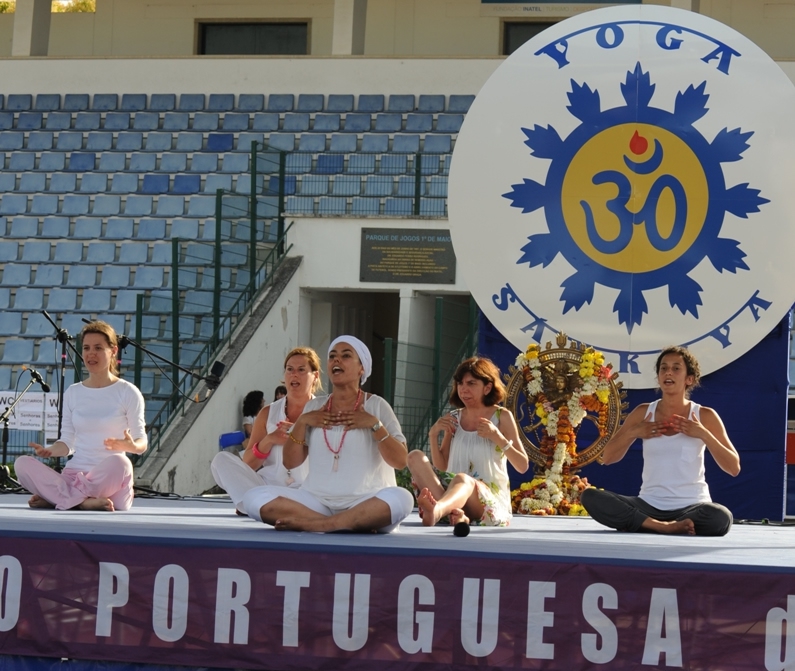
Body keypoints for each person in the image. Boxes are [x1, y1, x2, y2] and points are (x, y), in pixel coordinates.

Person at [241, 335, 413, 533]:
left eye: (345, 355)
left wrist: (374, 425)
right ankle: (347, 523)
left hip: (366, 501)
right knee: (254, 498)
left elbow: (400, 461)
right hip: (317, 502)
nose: (336, 360)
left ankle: (320, 525)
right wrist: (302, 422)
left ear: (362, 368)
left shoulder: (377, 406)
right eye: (332, 356)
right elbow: (290, 462)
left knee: (402, 499)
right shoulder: (314, 407)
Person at [580, 346, 740, 536]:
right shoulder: (643, 412)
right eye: (663, 368)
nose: (668, 372)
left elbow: (733, 468)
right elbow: (607, 458)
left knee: (721, 517)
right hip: (648, 505)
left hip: (692, 506)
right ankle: (660, 526)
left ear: (689, 379)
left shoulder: (704, 415)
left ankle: (649, 525)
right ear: (658, 377)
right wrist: (634, 432)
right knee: (590, 496)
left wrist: (703, 434)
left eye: (676, 368)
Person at [15, 320, 147, 512]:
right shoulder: (73, 392)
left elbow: (141, 442)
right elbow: (67, 444)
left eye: (98, 348)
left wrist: (132, 446)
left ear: (113, 351)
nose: (91, 353)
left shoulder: (128, 392)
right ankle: (82, 502)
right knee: (22, 464)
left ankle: (60, 498)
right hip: (74, 476)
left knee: (122, 463)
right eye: (86, 348)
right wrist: (49, 451)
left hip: (110, 479)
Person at [408, 356, 529, 527]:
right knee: (415, 456)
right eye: (460, 384)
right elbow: (442, 466)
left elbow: (522, 466)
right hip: (451, 494)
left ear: (487, 388)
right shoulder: (454, 417)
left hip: (488, 503)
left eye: (471, 383)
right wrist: (433, 435)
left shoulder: (502, 416)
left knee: (463, 479)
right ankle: (456, 514)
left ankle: (438, 511)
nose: (463, 389)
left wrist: (497, 437)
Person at [211, 347, 321, 512]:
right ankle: (258, 505)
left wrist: (300, 437)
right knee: (220, 460)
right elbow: (248, 463)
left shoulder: (323, 410)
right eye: (289, 369)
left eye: (301, 370)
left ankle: (255, 506)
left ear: (315, 376)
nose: (294, 375)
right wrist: (270, 440)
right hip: (268, 488)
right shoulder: (268, 412)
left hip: (306, 491)